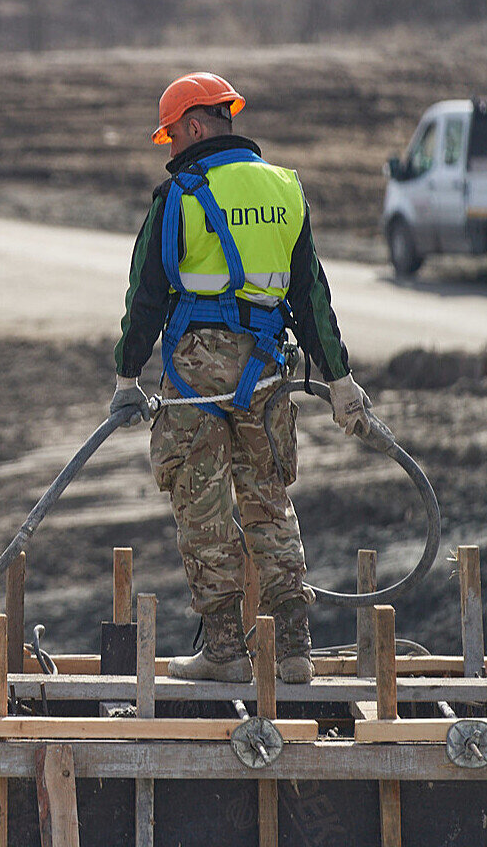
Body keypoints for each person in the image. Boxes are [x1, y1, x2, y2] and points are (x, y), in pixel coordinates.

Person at [110, 71, 368, 685]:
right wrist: (340, 379)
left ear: (195, 127)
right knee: (269, 499)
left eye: (171, 135)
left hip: (197, 370)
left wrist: (126, 376)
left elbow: (146, 295)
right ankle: (294, 649)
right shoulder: (284, 189)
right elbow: (311, 298)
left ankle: (224, 650)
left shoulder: (178, 197)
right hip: (267, 369)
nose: (170, 149)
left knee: (201, 502)